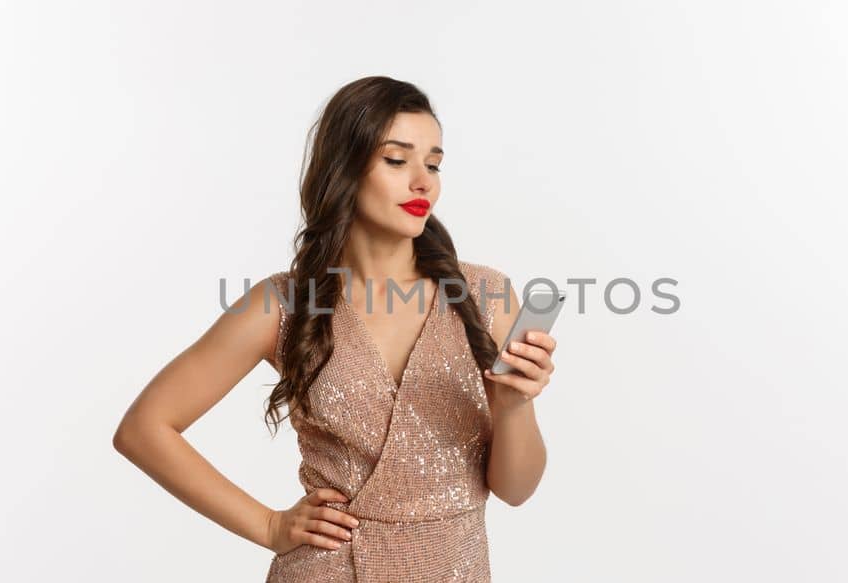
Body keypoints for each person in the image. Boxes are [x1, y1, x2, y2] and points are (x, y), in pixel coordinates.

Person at [113, 76, 558, 582]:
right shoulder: (281, 304)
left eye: (433, 164)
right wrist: (268, 525)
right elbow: (143, 429)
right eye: (397, 160)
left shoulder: (485, 296)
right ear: (344, 168)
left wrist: (514, 404)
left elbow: (517, 490)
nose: (423, 182)